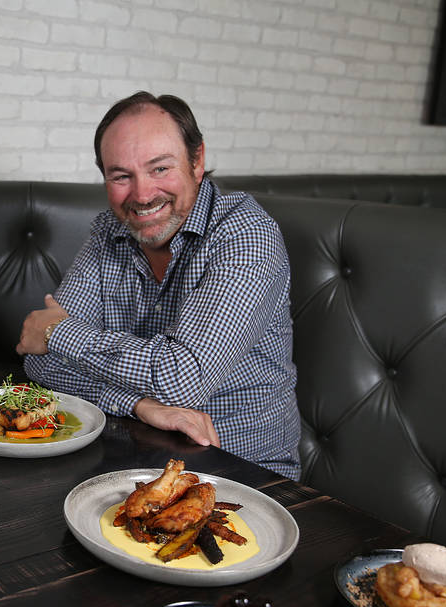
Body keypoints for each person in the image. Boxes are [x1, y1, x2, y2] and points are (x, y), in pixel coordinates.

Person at [16, 92, 300, 479]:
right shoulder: (107, 233)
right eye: (121, 176)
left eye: (160, 168)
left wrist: (56, 330)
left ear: (196, 161)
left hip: (244, 474)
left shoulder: (245, 234)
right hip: (130, 463)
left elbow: (184, 379)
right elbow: (40, 362)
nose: (143, 194)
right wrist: (138, 405)